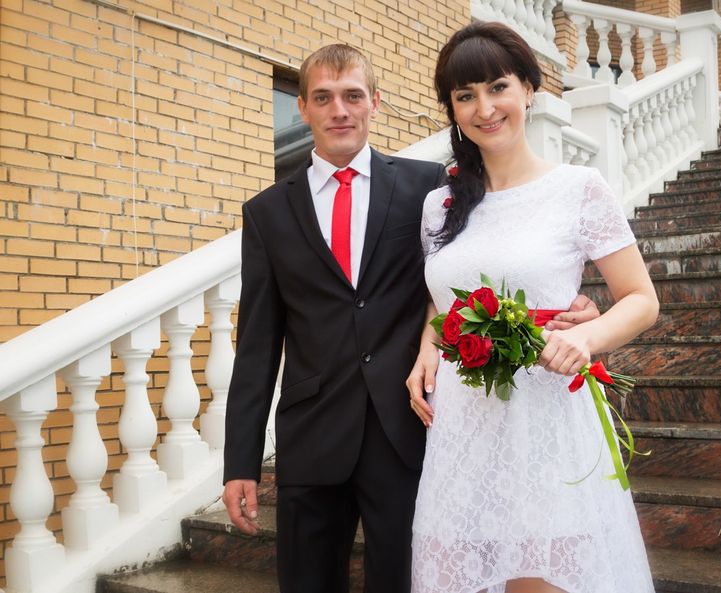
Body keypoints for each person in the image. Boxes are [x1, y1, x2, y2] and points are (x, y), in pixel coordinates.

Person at [221, 43, 599, 593]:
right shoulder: (267, 213)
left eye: (353, 95)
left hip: (409, 429)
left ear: (375, 101)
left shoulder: (430, 187)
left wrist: (571, 302)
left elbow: (486, 261)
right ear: (301, 107)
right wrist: (241, 462)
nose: (339, 110)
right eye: (323, 98)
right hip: (312, 439)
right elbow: (256, 346)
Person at [407, 22, 660, 593]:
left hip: (545, 415)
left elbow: (642, 300)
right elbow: (442, 296)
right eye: (465, 96)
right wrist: (428, 346)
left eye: (498, 87)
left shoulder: (578, 188)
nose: (484, 108)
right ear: (452, 108)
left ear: (528, 89)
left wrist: (585, 339)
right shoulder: (438, 205)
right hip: (463, 425)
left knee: (539, 579)